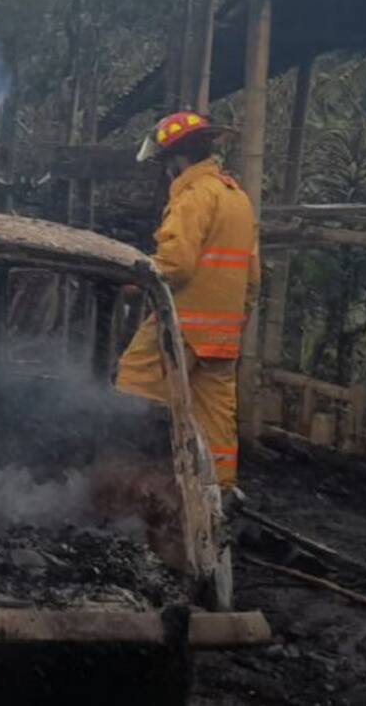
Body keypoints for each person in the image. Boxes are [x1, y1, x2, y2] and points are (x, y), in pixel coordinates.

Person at [115, 110, 260, 490]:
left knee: (135, 383)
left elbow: (175, 264)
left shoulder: (195, 196)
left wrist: (133, 280)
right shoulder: (237, 198)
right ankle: (219, 494)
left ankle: (125, 478)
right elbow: (253, 277)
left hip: (183, 322)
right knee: (214, 416)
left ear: (176, 159)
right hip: (223, 333)